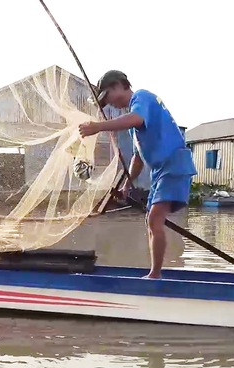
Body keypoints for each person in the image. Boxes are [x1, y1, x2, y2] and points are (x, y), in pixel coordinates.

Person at [79, 70, 197, 279]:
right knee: (152, 222)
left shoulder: (141, 98)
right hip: (161, 172)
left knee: (154, 219)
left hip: (174, 166)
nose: (110, 105)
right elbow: (138, 158)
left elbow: (135, 118)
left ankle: (155, 275)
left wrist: (98, 127)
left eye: (108, 98)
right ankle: (155, 272)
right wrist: (127, 184)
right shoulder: (134, 124)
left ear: (118, 85)